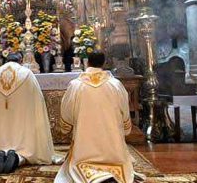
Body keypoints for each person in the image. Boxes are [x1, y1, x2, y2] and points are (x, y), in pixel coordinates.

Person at [0, 53, 62, 173]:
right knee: (23, 133)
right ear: (21, 60)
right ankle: (18, 157)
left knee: (1, 130)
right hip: (23, 116)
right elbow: (37, 98)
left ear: (6, 60)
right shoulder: (26, 74)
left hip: (0, 116)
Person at [55, 52, 136, 183]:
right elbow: (125, 111)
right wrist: (125, 129)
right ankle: (110, 173)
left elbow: (67, 111)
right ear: (103, 63)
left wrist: (66, 128)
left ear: (87, 62)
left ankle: (95, 176)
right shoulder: (115, 85)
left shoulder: (76, 85)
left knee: (77, 164)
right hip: (113, 147)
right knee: (119, 158)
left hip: (84, 147)